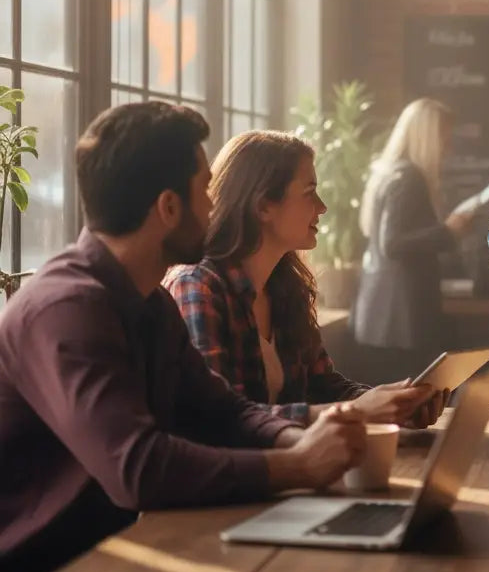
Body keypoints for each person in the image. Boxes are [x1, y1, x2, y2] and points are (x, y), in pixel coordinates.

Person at [0, 102, 388, 572]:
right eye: (206, 189)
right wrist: (294, 466)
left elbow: (222, 410)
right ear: (168, 207)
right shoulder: (65, 309)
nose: (215, 205)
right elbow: (139, 468)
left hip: (110, 566)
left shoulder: (149, 301)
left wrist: (299, 437)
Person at [165, 129, 443, 428]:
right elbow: (223, 420)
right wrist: (359, 412)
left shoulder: (285, 287)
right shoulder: (197, 288)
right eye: (309, 192)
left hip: (293, 468)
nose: (322, 207)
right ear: (262, 206)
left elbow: (323, 386)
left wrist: (390, 405)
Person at [352, 97, 477, 381]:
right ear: (428, 137)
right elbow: (393, 243)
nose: (448, 147)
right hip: (401, 322)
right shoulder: (410, 178)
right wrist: (449, 230)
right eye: (444, 137)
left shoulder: (390, 173)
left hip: (381, 319)